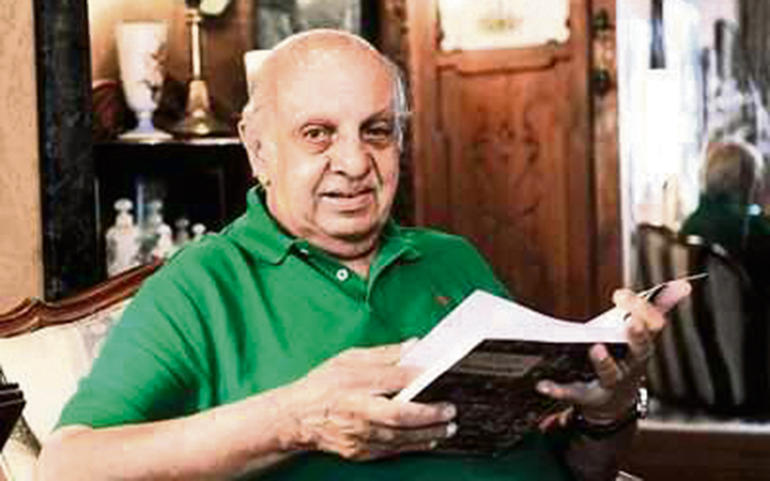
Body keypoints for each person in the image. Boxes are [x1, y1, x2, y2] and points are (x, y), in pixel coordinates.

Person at [38, 30, 690, 481]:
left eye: (376, 130)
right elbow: (67, 465)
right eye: (317, 134)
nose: (354, 163)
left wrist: (605, 413)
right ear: (259, 149)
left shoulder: (453, 259)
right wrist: (295, 418)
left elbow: (574, 469)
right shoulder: (202, 284)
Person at [681, 141, 770, 292]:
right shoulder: (750, 226)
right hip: (749, 305)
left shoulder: (694, 220)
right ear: (747, 178)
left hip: (705, 304)